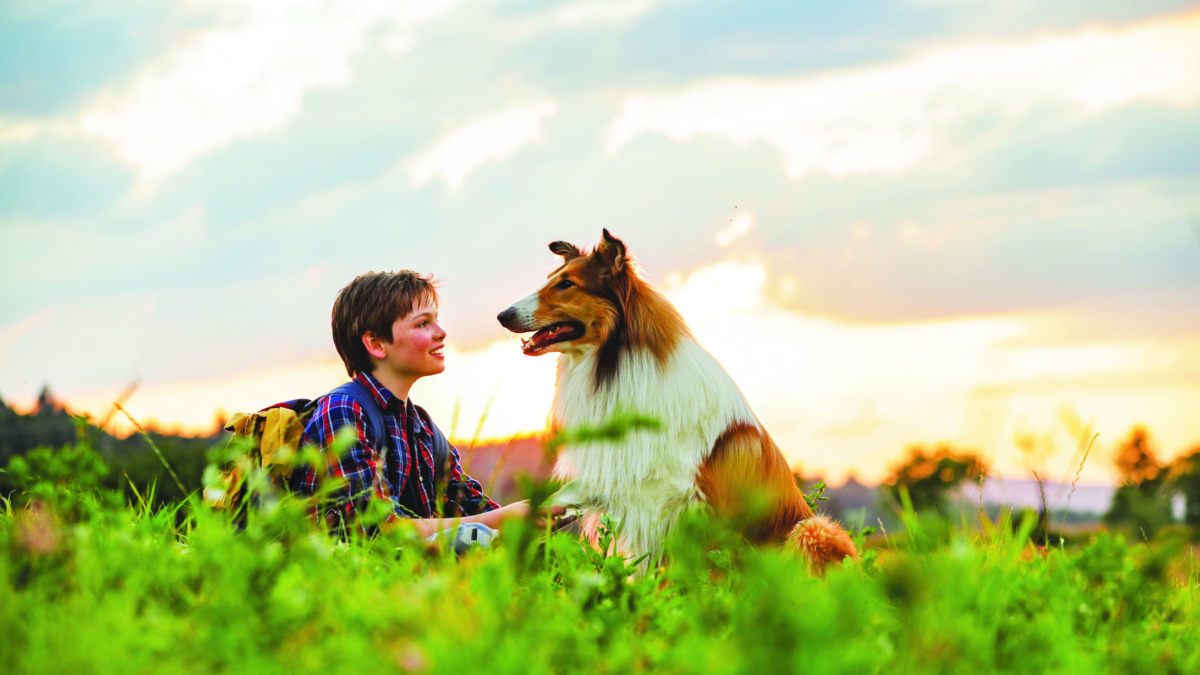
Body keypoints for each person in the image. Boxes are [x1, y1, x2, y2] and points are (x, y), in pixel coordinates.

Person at [293, 270, 532, 538]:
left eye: (436, 321)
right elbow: (379, 530)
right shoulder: (343, 412)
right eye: (423, 324)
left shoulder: (422, 429)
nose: (441, 333)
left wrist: (542, 514)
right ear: (376, 343)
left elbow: (473, 508)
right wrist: (502, 519)